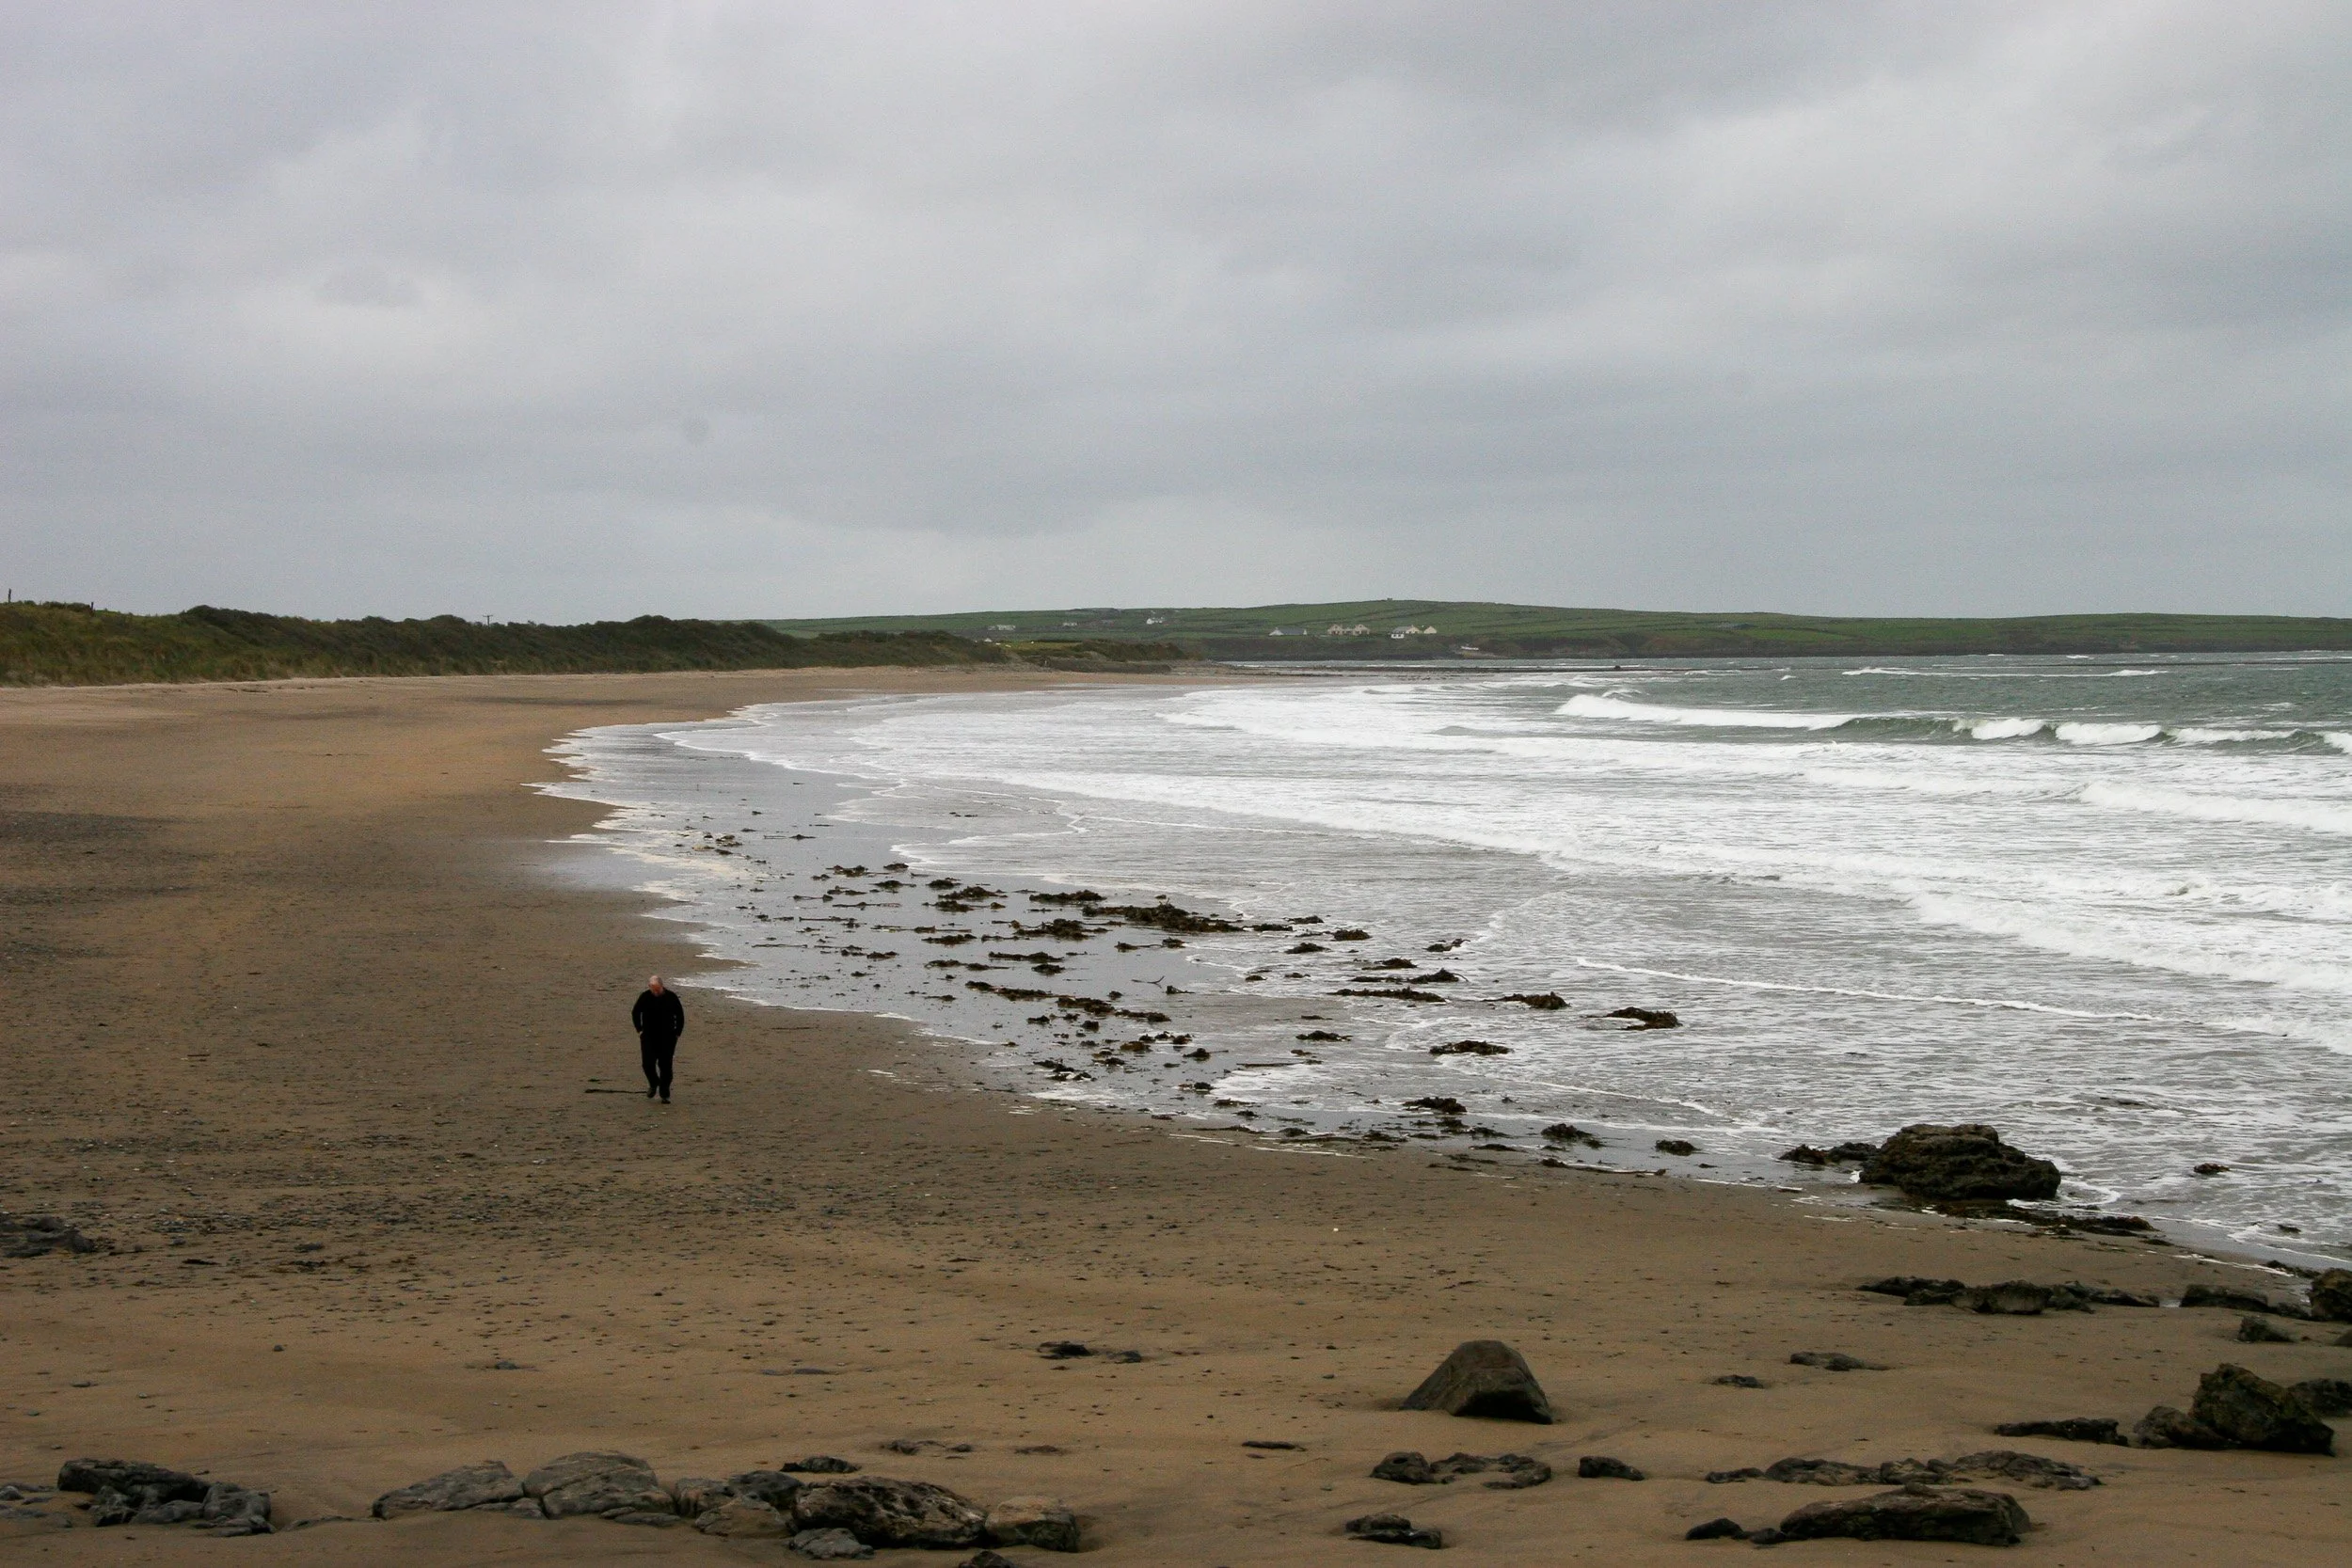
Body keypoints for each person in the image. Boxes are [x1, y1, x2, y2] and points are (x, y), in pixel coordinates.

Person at [631, 974, 685, 1102]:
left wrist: (677, 1032)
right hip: (648, 1036)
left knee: (665, 1066)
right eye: (652, 989)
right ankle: (654, 1083)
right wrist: (639, 1030)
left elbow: (680, 1015)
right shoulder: (645, 996)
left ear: (662, 986)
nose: (655, 992)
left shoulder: (671, 997)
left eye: (657, 989)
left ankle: (664, 1093)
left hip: (668, 1037)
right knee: (647, 1064)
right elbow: (635, 1012)